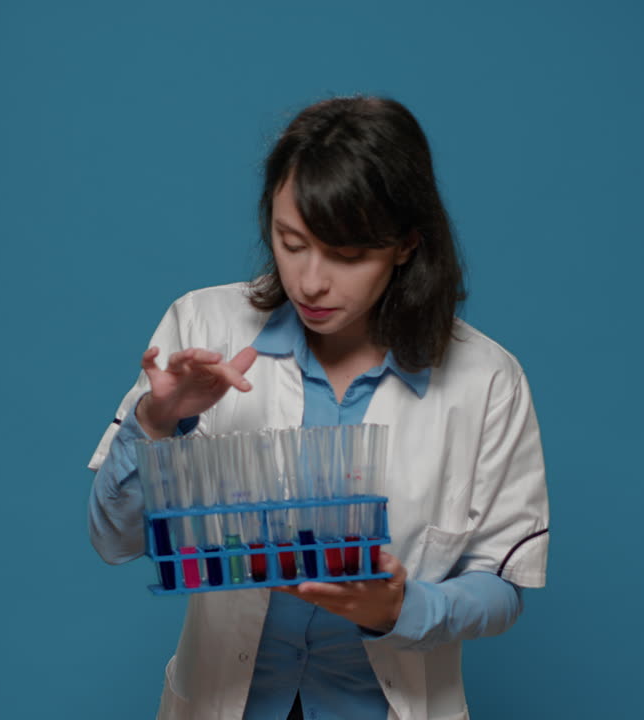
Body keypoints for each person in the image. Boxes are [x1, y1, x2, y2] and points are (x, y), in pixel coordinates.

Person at [87, 96, 549, 720]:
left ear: (407, 245)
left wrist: (400, 610)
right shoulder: (201, 326)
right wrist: (156, 423)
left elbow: (503, 583)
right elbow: (114, 540)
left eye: (348, 255)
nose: (310, 281)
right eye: (291, 242)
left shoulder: (488, 380)